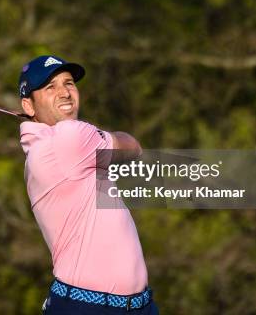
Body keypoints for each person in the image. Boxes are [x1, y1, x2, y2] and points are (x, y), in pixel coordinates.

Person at [18, 55, 159, 314]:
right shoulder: (70, 137)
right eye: (50, 87)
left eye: (69, 83)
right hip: (88, 306)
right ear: (28, 106)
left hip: (138, 306)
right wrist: (107, 137)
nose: (64, 93)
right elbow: (133, 146)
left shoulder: (48, 145)